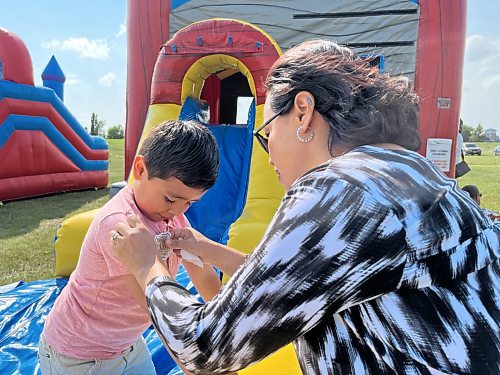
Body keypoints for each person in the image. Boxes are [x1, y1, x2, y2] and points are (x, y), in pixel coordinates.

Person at [111, 40, 500, 374]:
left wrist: (148, 267)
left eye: (266, 135)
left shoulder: (340, 187)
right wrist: (202, 247)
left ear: (302, 111)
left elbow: (203, 347)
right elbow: (297, 282)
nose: (268, 155)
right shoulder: (409, 170)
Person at [38, 120, 222, 375]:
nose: (177, 210)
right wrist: (196, 367)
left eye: (190, 203)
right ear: (140, 169)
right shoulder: (120, 227)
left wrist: (230, 324)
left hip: (125, 344)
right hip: (80, 353)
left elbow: (202, 273)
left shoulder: (173, 217)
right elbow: (155, 308)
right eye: (170, 198)